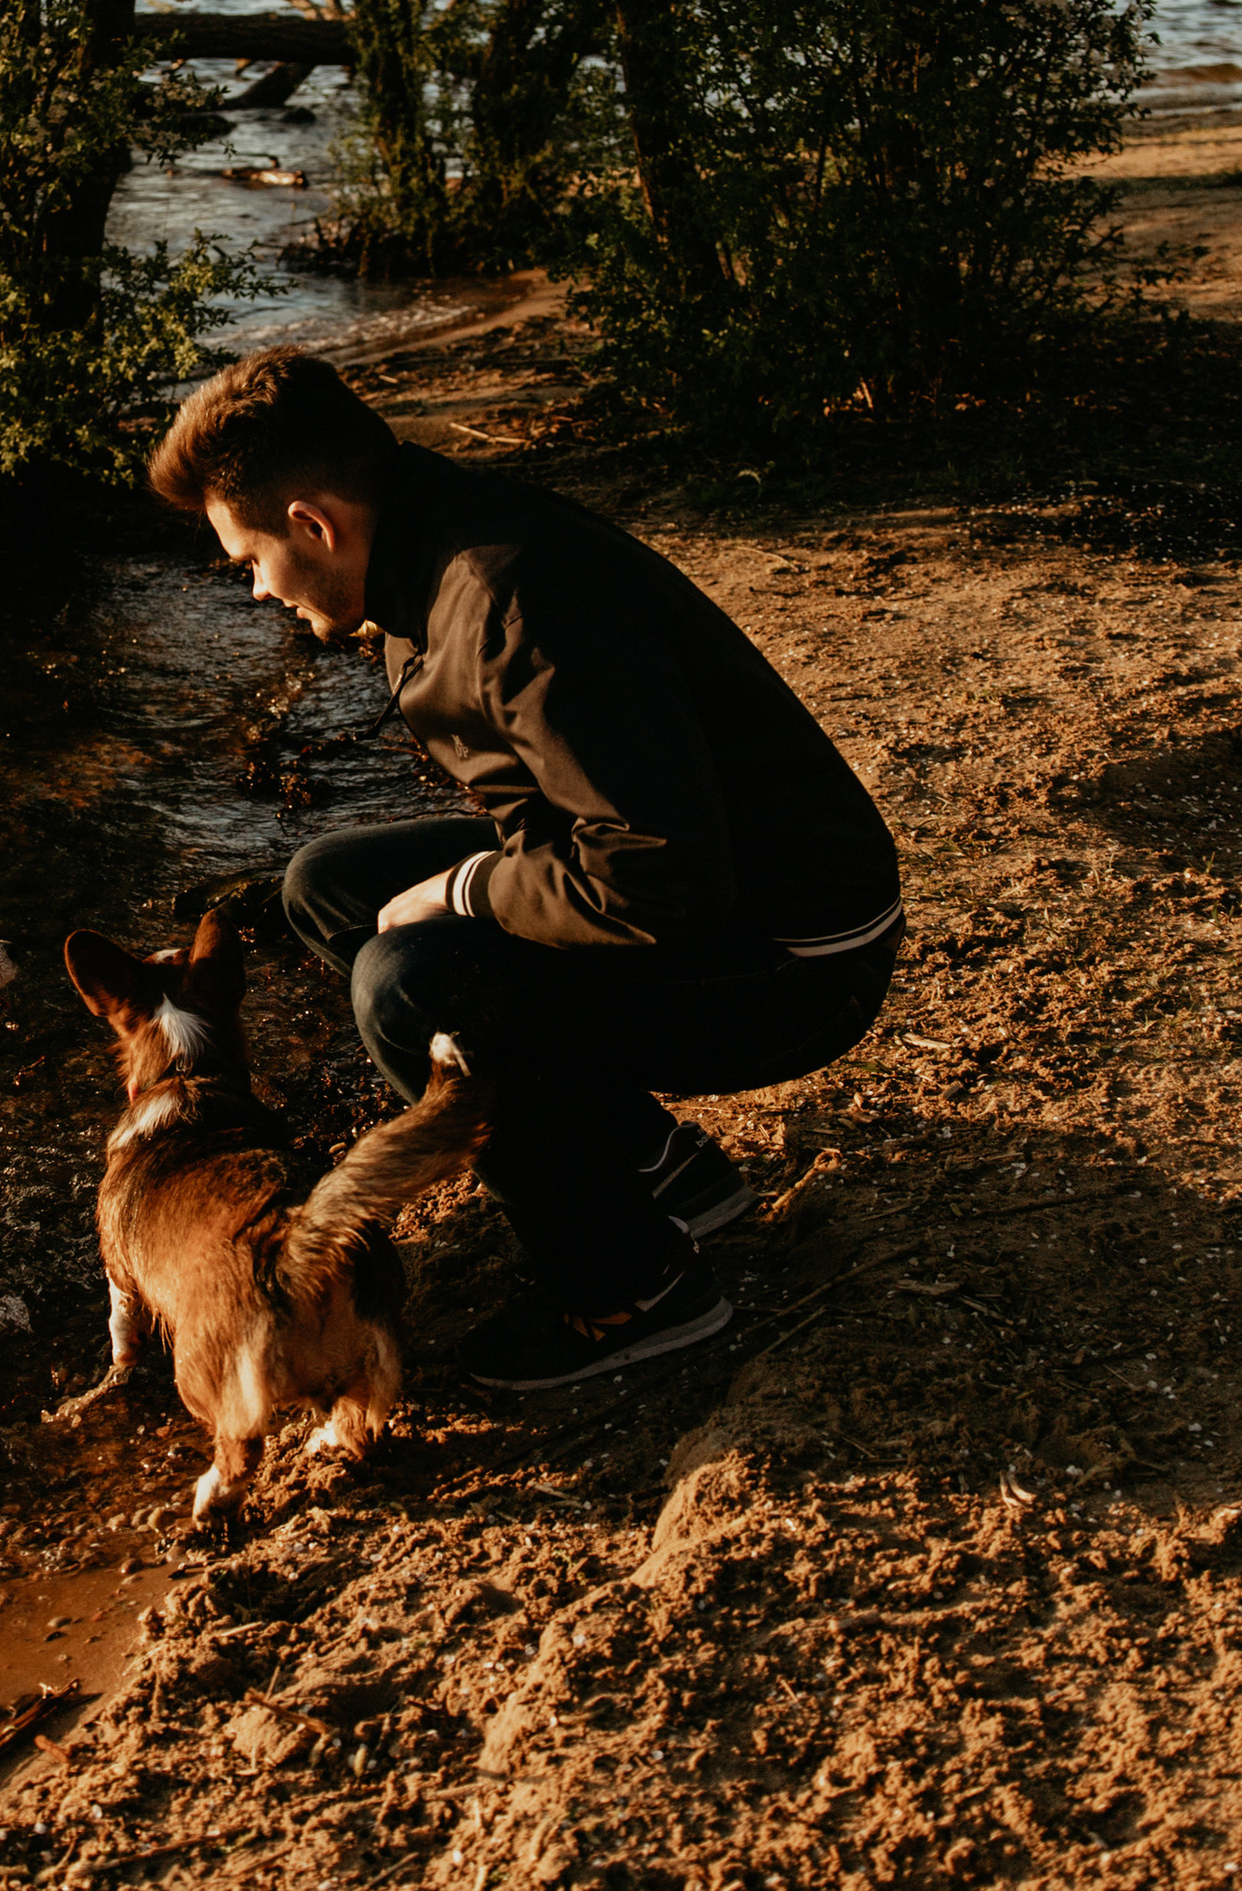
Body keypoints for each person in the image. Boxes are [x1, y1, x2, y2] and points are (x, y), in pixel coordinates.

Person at [148, 348, 901, 1389]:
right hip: (707, 886)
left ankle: (632, 1292)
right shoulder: (426, 547)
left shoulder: (508, 598)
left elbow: (652, 878)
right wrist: (465, 893)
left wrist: (461, 897)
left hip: (795, 956)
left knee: (409, 988)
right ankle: (650, 1164)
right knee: (328, 886)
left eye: (248, 561)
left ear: (315, 523)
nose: (256, 591)